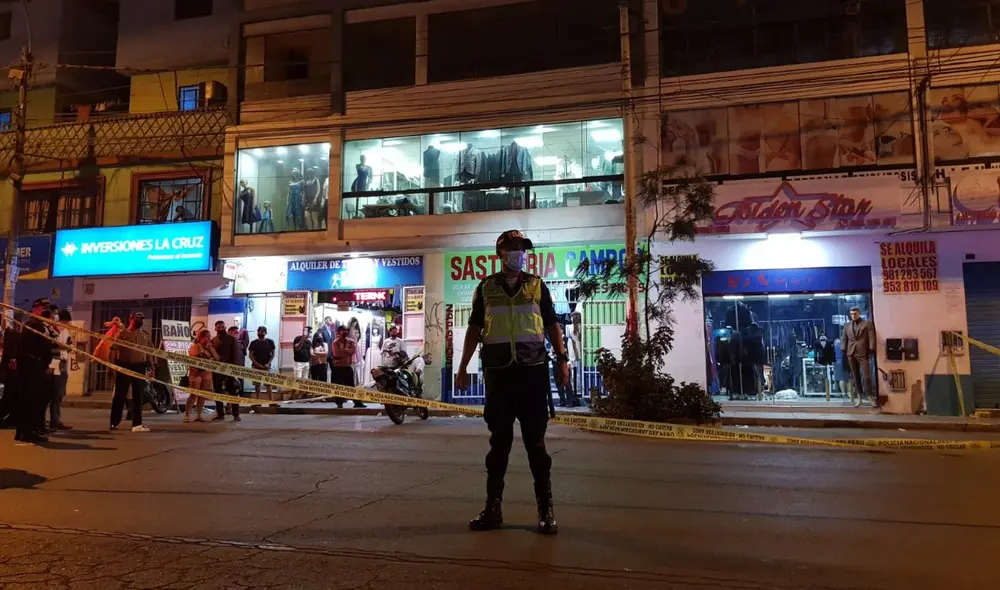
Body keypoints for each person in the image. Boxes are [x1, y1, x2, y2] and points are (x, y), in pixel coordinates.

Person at [456, 230, 569, 535]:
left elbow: (551, 324)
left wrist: (562, 360)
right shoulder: (486, 287)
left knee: (536, 446)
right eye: (514, 248)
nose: (520, 253)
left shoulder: (536, 286)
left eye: (523, 248)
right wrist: (463, 366)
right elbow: (474, 328)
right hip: (499, 375)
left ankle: (546, 511)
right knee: (499, 446)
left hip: (532, 374)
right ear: (501, 253)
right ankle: (493, 508)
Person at [14, 299, 53, 443]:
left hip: (34, 368)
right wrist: (38, 362)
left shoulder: (39, 325)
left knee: (30, 401)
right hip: (32, 369)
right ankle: (27, 432)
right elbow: (30, 348)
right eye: (42, 308)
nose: (45, 311)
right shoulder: (32, 325)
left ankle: (26, 431)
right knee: (31, 402)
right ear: (35, 309)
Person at [110, 311, 154, 433]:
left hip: (139, 367)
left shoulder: (145, 335)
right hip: (124, 366)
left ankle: (137, 423)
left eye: (141, 318)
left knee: (138, 396)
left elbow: (149, 353)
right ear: (131, 319)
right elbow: (113, 350)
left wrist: (151, 368)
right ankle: (114, 421)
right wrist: (112, 367)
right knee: (119, 395)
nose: (139, 320)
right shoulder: (122, 333)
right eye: (137, 318)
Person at [841, 307, 878, 409]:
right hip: (851, 352)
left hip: (863, 352)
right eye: (851, 314)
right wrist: (843, 349)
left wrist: (871, 348)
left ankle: (870, 396)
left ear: (859, 313)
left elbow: (871, 336)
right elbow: (844, 337)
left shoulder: (867, 323)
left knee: (866, 376)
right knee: (855, 376)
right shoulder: (847, 325)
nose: (853, 315)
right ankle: (859, 397)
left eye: (855, 314)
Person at [48, 308, 73, 431]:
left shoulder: (66, 332)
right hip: (54, 363)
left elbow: (69, 346)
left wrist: (68, 347)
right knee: (53, 394)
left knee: (59, 394)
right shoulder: (52, 330)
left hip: (63, 363)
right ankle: (49, 421)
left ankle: (55, 420)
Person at [185, 330, 218, 422]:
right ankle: (187, 415)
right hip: (196, 373)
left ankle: (198, 415)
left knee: (202, 395)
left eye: (209, 336)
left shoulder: (210, 347)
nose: (208, 338)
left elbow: (217, 358)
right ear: (201, 337)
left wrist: (210, 349)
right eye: (206, 336)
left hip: (206, 373)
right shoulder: (195, 346)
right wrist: (205, 355)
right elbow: (193, 357)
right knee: (193, 394)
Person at [211, 321, 241, 421]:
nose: (220, 329)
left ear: (225, 327)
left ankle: (236, 414)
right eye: (219, 327)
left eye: (222, 327)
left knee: (233, 392)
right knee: (218, 391)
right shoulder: (213, 340)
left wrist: (233, 369)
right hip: (217, 370)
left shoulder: (231, 340)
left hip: (229, 369)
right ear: (215, 329)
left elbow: (236, 355)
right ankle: (220, 414)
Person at [331, 325, 365, 408]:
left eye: (346, 330)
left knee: (351, 386)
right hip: (338, 367)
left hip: (347, 366)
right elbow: (336, 353)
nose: (345, 332)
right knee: (338, 386)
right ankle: (339, 403)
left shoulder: (350, 341)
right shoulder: (335, 342)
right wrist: (347, 351)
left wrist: (344, 350)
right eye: (343, 330)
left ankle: (357, 403)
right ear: (338, 332)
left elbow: (353, 351)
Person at [248, 326, 276, 402]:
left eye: (262, 332)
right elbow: (250, 355)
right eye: (259, 332)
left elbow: (273, 354)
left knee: (268, 384)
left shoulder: (270, 342)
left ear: (265, 333)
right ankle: (258, 400)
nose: (260, 333)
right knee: (257, 385)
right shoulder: (253, 343)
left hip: (267, 367)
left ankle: (271, 400)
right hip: (256, 367)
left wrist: (268, 363)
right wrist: (256, 364)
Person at [228, 325, 247, 408]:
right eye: (235, 332)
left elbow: (242, 356)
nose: (237, 334)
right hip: (228, 369)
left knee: (236, 389)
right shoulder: (226, 343)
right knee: (229, 389)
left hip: (238, 369)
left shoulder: (240, 344)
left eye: (238, 333)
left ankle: (235, 411)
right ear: (229, 332)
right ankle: (228, 406)